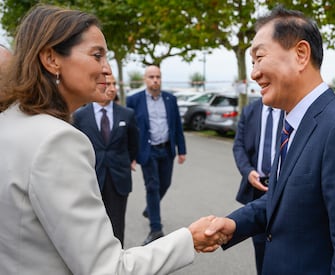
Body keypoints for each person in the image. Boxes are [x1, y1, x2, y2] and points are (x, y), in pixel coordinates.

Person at [0, 4, 224, 275]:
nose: (107, 70)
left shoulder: (9, 123)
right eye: (97, 55)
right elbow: (107, 269)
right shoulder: (57, 140)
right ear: (51, 59)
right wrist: (190, 239)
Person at [202, 5, 335, 274]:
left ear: (300, 54)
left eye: (259, 57)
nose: (253, 73)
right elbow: (285, 199)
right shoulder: (293, 123)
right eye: (251, 62)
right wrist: (235, 225)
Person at [72, 74, 139, 247]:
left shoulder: (127, 114)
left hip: (119, 179)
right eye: (107, 84)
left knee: (116, 225)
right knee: (92, 225)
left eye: (114, 84)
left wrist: (127, 161)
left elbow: (133, 143)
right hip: (91, 179)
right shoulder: (80, 116)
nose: (112, 88)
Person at [126, 65, 187, 245]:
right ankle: (156, 228)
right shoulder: (134, 100)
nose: (155, 80)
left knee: (165, 183)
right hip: (148, 150)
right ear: (145, 79)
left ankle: (150, 209)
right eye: (151, 77)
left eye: (158, 77)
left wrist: (181, 150)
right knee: (152, 186)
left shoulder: (170, 99)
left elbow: (177, 125)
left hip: (167, 149)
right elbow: (130, 130)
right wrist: (131, 155)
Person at [232, 98, 282, 274]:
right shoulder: (250, 110)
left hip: (283, 188)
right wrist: (248, 171)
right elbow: (238, 145)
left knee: (282, 245)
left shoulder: (289, 109)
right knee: (260, 244)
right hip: (256, 187)